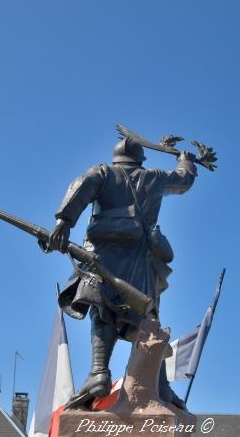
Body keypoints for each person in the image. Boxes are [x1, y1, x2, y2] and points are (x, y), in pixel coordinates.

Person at [47, 137, 197, 409]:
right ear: (140, 160)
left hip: (102, 255)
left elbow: (81, 185)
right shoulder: (154, 177)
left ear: (116, 158)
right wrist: (185, 159)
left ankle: (99, 372)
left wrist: (63, 222)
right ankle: (157, 384)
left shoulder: (104, 173)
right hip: (141, 259)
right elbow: (183, 180)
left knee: (102, 309)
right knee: (146, 321)